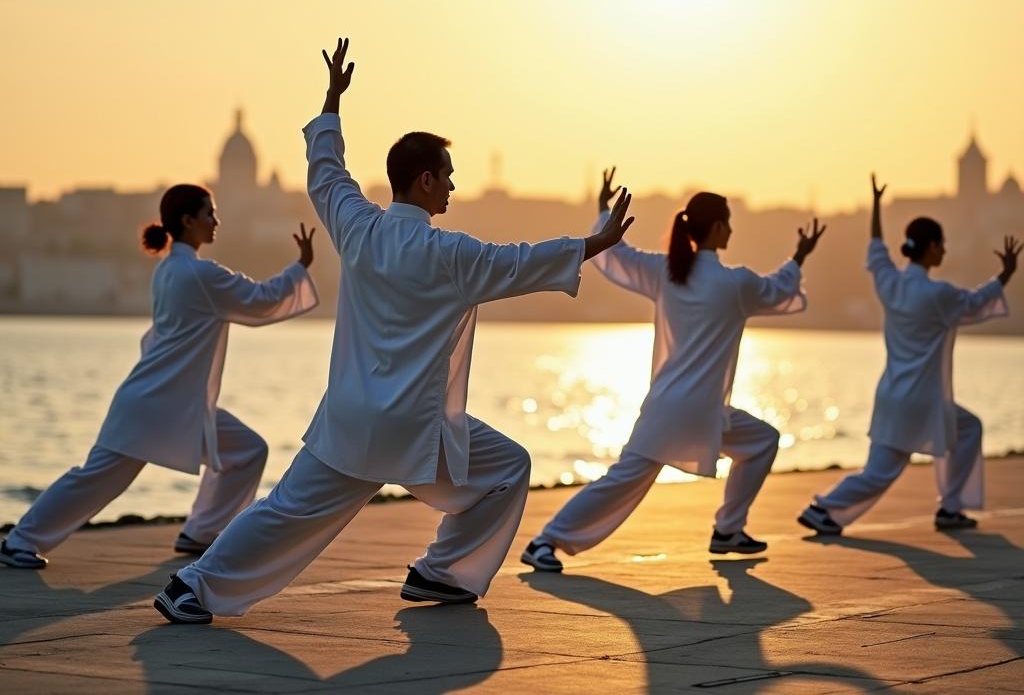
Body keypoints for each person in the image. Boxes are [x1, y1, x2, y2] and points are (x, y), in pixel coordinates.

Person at [153, 37, 635, 624]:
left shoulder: (358, 227)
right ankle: (440, 572)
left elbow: (326, 174)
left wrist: (332, 102)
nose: (455, 186)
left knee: (284, 511)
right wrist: (597, 243)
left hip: (350, 417)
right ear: (426, 181)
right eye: (449, 176)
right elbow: (521, 261)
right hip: (412, 429)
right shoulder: (451, 254)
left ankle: (191, 588)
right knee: (508, 469)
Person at [0, 185, 320, 569]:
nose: (215, 221)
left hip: (171, 402)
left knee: (246, 451)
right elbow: (262, 298)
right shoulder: (200, 274)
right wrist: (300, 265)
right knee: (98, 479)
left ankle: (200, 532)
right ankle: (19, 541)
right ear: (187, 221)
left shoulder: (168, 269)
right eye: (209, 214)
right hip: (154, 404)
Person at [521, 170, 826, 572]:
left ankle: (727, 531)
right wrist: (800, 256)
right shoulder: (736, 284)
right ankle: (547, 540)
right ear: (717, 227)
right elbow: (779, 288)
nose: (731, 229)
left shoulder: (666, 271)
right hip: (700, 413)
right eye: (729, 222)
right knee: (758, 443)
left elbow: (615, 256)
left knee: (630, 479)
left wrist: (600, 211)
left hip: (677, 408)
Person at [799, 175, 1018, 535]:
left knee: (966, 428)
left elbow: (875, 248)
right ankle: (823, 507)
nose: (945, 251)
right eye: (941, 244)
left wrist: (875, 206)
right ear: (931, 248)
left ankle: (950, 507)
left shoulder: (890, 282)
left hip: (892, 394)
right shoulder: (939, 294)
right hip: (920, 401)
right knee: (880, 473)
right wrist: (1005, 274)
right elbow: (978, 302)